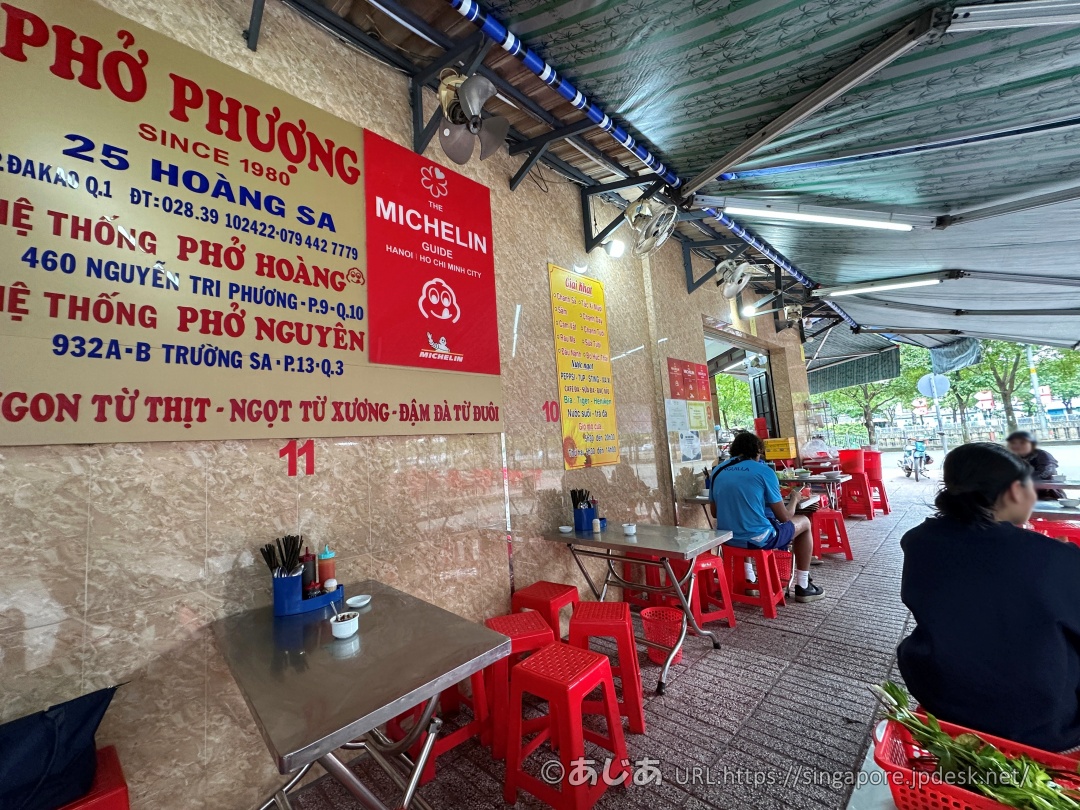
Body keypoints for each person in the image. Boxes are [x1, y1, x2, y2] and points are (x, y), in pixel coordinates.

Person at [897, 442, 1080, 752]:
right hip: (1045, 723)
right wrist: (1059, 557)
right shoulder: (1055, 557)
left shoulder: (917, 542)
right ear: (1012, 493)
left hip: (943, 698)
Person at [709, 432, 823, 603]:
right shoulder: (763, 471)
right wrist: (794, 499)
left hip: (728, 539)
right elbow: (785, 517)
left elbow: (715, 513)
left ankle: (749, 579)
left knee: (742, 522)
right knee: (805, 522)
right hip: (757, 539)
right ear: (757, 451)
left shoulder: (718, 471)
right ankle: (803, 585)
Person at [1006, 431, 1064, 500]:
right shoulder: (1010, 457)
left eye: (1022, 443)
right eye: (1013, 443)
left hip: (1047, 494)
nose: (1017, 446)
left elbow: (1046, 474)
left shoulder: (1042, 455)